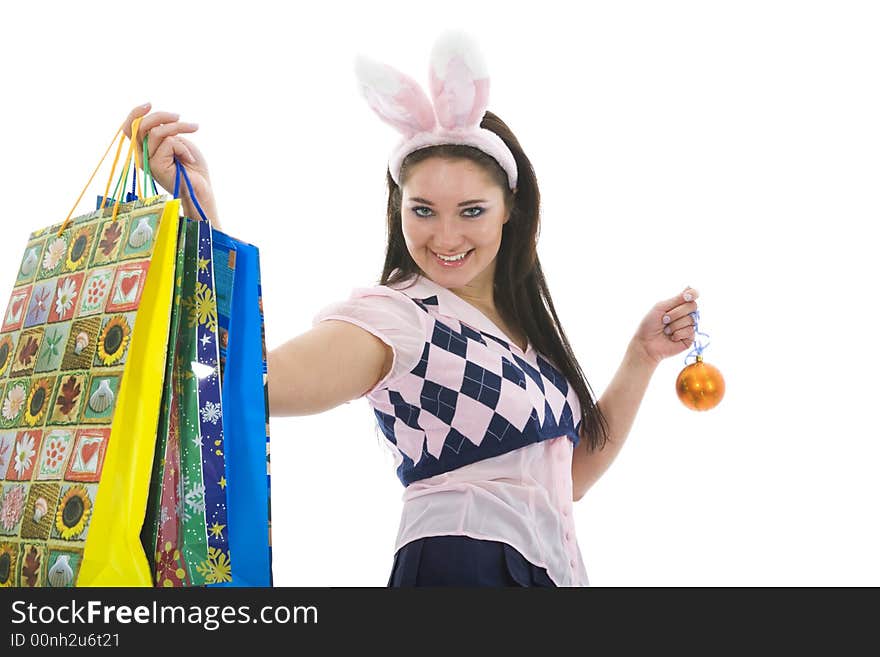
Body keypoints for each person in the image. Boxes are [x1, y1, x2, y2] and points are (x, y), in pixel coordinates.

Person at [121, 32, 700, 587]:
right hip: (461, 571)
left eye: (471, 210)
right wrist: (200, 210)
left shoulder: (529, 345)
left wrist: (642, 355)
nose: (445, 236)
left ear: (509, 211)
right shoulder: (400, 317)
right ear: (399, 208)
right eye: (423, 210)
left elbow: (569, 478)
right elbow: (253, 381)